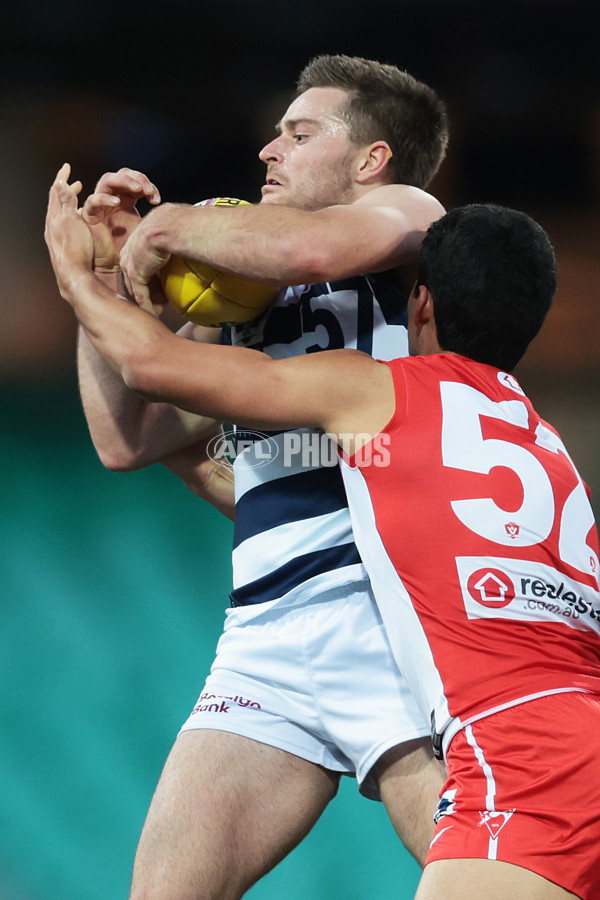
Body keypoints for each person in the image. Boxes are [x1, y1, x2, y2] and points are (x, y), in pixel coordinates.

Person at [46, 184, 600, 900]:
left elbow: (151, 366)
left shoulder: (381, 391)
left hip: (515, 754)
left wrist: (74, 275)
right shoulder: (541, 442)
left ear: (421, 305)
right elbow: (373, 513)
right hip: (573, 724)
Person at [70, 55, 450, 899]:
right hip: (269, 635)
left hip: (389, 609)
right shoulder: (241, 298)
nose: (269, 152)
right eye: (276, 133)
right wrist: (102, 281)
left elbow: (314, 245)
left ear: (371, 160)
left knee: (502, 881)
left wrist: (166, 226)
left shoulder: (404, 216)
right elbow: (125, 439)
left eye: (299, 133)